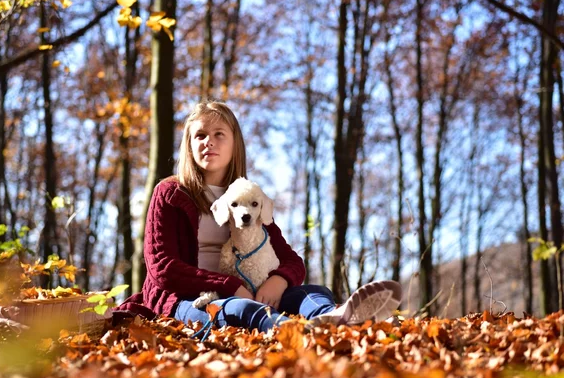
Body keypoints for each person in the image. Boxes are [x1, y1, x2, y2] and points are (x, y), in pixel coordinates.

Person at [115, 100, 401, 332]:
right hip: (189, 299)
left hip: (249, 289)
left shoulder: (247, 197)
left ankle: (333, 317)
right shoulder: (171, 192)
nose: (208, 142)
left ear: (234, 143)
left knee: (313, 291)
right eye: (200, 136)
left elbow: (291, 260)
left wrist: (278, 280)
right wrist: (229, 287)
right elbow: (163, 269)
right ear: (189, 145)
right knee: (241, 309)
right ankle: (294, 332)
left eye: (218, 135)